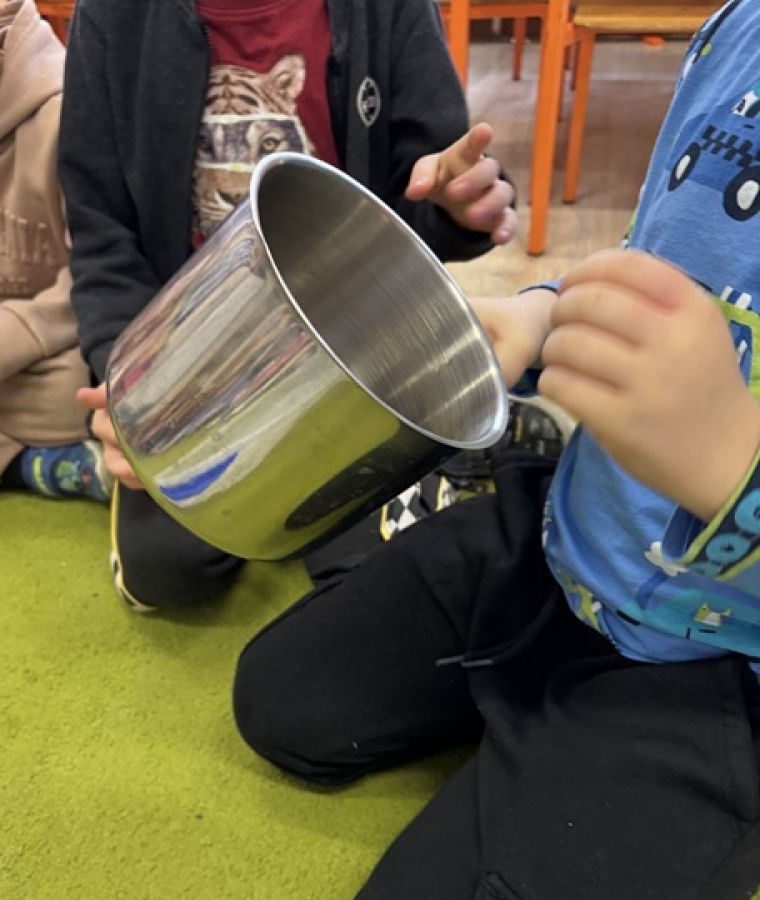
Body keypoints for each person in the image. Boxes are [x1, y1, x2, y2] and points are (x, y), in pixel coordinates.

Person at [232, 1, 760, 900]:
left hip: (719, 670)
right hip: (563, 538)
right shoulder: (738, 27)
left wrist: (730, 469)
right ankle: (533, 715)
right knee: (285, 701)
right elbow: (665, 256)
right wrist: (541, 312)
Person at [58, 0, 518, 611]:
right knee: (166, 573)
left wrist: (456, 209)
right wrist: (126, 379)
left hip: (357, 362)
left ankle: (479, 447)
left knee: (374, 564)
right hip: (191, 367)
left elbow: (425, 194)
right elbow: (101, 233)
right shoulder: (111, 17)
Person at [0, 0, 110, 505]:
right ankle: (21, 466)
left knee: (82, 388)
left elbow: (97, 277)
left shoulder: (65, 112)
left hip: (49, 350)